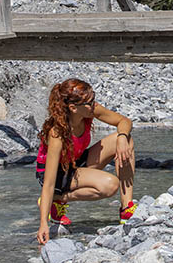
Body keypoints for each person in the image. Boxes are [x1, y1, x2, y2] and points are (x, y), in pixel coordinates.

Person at [35, 78, 136, 245]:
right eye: (89, 102)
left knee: (127, 140)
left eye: (93, 99)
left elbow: (124, 121)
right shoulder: (57, 134)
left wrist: (123, 138)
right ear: (73, 108)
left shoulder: (89, 110)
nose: (94, 104)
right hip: (57, 175)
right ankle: (58, 199)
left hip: (76, 161)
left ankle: (127, 210)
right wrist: (43, 224)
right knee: (110, 184)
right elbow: (49, 183)